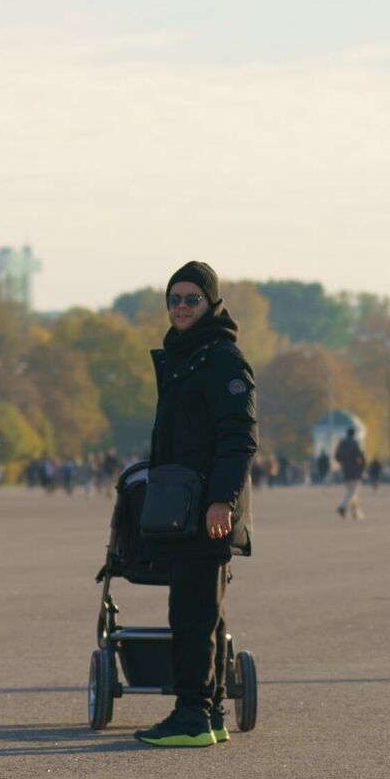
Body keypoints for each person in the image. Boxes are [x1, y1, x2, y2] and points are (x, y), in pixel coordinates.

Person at [134, 261, 258, 749]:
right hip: (183, 506)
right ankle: (209, 710)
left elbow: (239, 438)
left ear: (211, 303)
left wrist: (221, 501)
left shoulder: (222, 359)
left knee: (192, 613)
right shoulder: (185, 355)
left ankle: (191, 714)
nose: (181, 307)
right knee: (202, 610)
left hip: (206, 508)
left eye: (192, 299)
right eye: (174, 299)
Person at [334, 427, 366, 520]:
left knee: (352, 493)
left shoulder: (342, 443)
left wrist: (344, 461)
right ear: (354, 434)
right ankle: (343, 507)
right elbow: (359, 456)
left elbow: (337, 457)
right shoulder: (355, 443)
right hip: (354, 470)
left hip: (345, 470)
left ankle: (355, 513)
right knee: (352, 491)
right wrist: (362, 467)